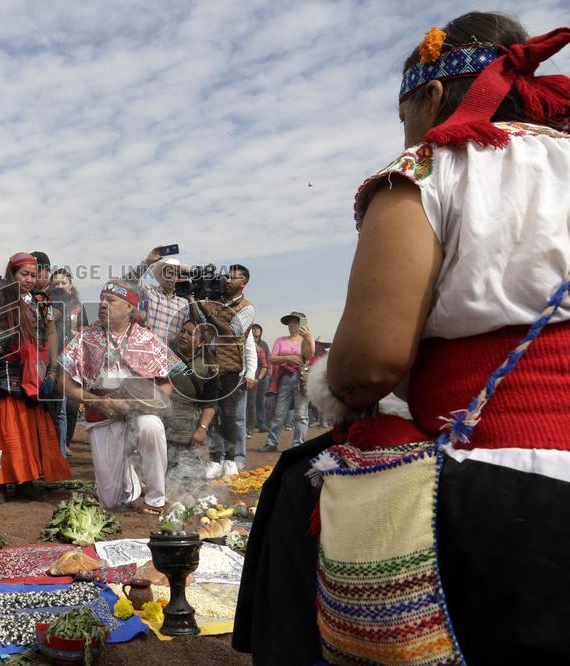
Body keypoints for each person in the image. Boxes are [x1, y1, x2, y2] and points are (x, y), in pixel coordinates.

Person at [234, 14, 570, 663]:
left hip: (496, 493)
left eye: (404, 115)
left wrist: (333, 387)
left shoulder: (430, 166)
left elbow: (368, 367)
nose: (406, 132)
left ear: (432, 98)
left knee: (296, 485)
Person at [61, 281, 182, 512]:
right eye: (102, 299)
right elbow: (63, 383)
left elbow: (167, 384)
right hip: (102, 414)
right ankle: (131, 481)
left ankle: (155, 499)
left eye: (111, 300)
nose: (103, 305)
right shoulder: (85, 338)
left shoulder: (149, 339)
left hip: (138, 412)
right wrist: (98, 401)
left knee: (152, 427)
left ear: (129, 307)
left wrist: (148, 404)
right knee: (111, 502)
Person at [0, 253, 70, 496]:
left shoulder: (43, 300)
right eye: (24, 274)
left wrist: (53, 366)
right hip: (2, 368)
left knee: (27, 426)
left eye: (33, 274)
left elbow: (51, 333)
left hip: (33, 372)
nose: (29, 279)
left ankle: (25, 481)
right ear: (12, 274)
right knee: (2, 426)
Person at [190, 264, 257, 477]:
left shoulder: (247, 307)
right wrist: (195, 302)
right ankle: (215, 458)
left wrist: (209, 312)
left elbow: (231, 332)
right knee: (211, 412)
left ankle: (230, 459)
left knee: (228, 414)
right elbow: (202, 324)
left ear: (243, 282)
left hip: (229, 368)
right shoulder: (216, 303)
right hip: (210, 367)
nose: (228, 280)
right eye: (227, 276)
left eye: (233, 277)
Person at [163, 320, 220, 472]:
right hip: (161, 424)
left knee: (188, 479)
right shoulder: (163, 358)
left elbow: (210, 404)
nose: (184, 335)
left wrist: (201, 430)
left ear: (201, 342)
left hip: (187, 430)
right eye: (182, 331)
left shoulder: (208, 367)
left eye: (191, 333)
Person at [257, 311, 313, 452]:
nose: (292, 325)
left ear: (301, 324)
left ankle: (298, 446)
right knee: (279, 413)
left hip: (302, 379)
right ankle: (271, 443)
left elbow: (309, 356)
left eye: (295, 322)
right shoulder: (280, 340)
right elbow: (272, 358)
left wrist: (307, 338)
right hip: (285, 378)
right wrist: (289, 358)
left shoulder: (307, 339)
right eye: (290, 322)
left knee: (301, 414)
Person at [50, 268, 87, 447]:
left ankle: (67, 442)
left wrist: (75, 334)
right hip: (55, 358)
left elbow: (86, 332)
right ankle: (58, 446)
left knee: (72, 406)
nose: (59, 285)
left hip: (74, 359)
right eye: (56, 283)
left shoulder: (79, 307)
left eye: (63, 282)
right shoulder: (48, 303)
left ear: (70, 285)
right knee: (57, 407)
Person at [126, 248, 189, 343]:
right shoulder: (148, 291)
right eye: (169, 272)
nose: (172, 276)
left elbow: (185, 331)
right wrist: (147, 262)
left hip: (167, 355)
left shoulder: (184, 304)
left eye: (175, 273)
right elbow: (128, 281)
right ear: (161, 274)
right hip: (143, 349)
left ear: (178, 278)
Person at [246, 323, 270, 433]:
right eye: (254, 329)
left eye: (258, 329)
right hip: (251, 376)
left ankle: (262, 425)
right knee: (250, 402)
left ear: (261, 331)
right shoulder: (246, 342)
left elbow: (267, 361)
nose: (256, 330)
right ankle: (250, 426)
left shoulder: (264, 345)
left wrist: (265, 375)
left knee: (261, 402)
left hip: (262, 377)